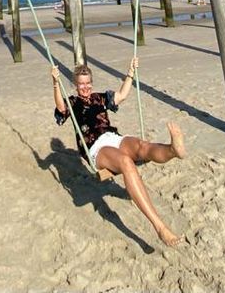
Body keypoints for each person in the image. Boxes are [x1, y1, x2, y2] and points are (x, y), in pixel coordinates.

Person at [51, 58, 186, 247]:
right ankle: (160, 227)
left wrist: (130, 73)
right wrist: (56, 83)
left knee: (141, 146)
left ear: (91, 82)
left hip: (113, 137)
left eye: (88, 83)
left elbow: (121, 95)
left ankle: (173, 150)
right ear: (75, 85)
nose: (85, 87)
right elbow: (60, 108)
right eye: (81, 84)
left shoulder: (99, 97)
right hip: (96, 148)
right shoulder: (72, 102)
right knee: (125, 162)